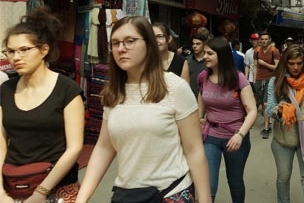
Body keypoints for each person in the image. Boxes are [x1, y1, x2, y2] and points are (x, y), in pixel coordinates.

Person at [75, 16, 210, 203]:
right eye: (115, 43)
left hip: (170, 193)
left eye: (130, 41)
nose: (121, 48)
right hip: (127, 194)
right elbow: (104, 147)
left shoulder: (175, 87)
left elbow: (194, 150)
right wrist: (81, 199)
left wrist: (205, 200)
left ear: (149, 44)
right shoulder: (113, 93)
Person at [0, 7, 84, 202]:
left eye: (24, 50)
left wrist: (41, 192)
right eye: (10, 51)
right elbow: (1, 143)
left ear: (44, 50)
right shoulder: (5, 90)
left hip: (57, 187)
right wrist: (1, 192)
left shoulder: (67, 89)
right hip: (13, 186)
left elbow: (74, 148)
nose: (16, 57)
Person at [198, 36, 257, 203]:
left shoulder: (238, 78)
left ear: (221, 55)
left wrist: (240, 135)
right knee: (208, 185)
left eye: (209, 53)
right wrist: (199, 119)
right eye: (204, 53)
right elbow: (201, 99)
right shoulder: (203, 77)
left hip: (235, 136)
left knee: (235, 181)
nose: (205, 57)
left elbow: (252, 111)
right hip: (210, 136)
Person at [266, 45, 304, 203]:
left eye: (299, 63)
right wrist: (280, 111)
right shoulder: (276, 81)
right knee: (283, 178)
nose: (295, 67)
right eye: (291, 63)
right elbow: (269, 109)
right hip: (283, 140)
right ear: (285, 63)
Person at [254, 31, 280, 139]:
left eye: (266, 39)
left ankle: (266, 128)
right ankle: (268, 118)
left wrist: (265, 64)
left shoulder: (275, 51)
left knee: (265, 104)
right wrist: (254, 79)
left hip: (270, 79)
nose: (264, 41)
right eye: (262, 39)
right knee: (261, 103)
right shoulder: (257, 51)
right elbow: (255, 66)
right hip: (259, 80)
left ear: (269, 40)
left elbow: (277, 67)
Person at [187, 33, 208, 98]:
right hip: (190, 97)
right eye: (193, 44)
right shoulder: (187, 61)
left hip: (205, 96)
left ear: (204, 45)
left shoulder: (208, 61)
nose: (194, 46)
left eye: (198, 44)